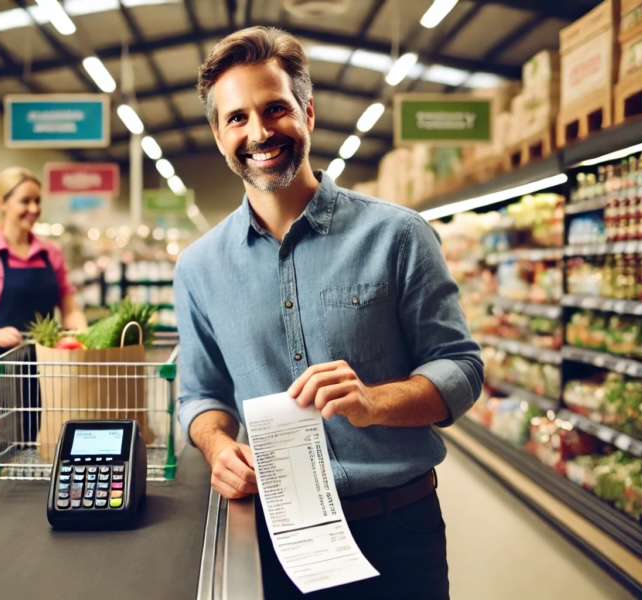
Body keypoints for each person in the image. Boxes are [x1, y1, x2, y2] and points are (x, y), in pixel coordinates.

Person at [173, 27, 483, 598]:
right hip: (277, 534)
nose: (260, 132)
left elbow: (460, 368)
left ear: (308, 114)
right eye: (237, 118)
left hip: (398, 529)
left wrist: (374, 402)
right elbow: (199, 395)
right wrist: (219, 448)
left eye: (275, 109)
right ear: (218, 135)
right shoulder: (198, 268)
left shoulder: (398, 234)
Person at [0, 167, 86, 427]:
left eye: (38, 201)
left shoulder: (52, 253)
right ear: (2, 203)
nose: (34, 208)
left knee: (42, 443)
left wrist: (82, 333)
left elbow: (69, 309)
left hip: (46, 364)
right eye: (25, 201)